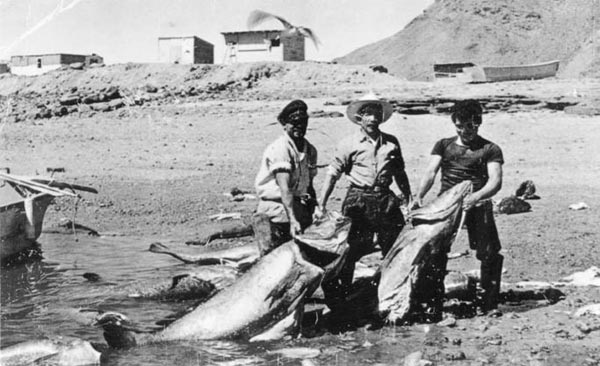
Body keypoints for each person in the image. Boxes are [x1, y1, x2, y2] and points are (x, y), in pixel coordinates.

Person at [316, 93, 412, 313]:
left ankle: (391, 297)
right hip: (358, 199)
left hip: (385, 199)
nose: (372, 118)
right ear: (359, 118)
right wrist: (321, 204)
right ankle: (340, 303)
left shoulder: (391, 143)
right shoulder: (348, 144)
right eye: (367, 114)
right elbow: (332, 174)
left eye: (376, 113)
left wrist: (409, 198)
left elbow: (400, 173)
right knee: (349, 250)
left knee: (394, 248)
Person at [413, 99, 504, 319]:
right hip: (447, 203)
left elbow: (495, 181)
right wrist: (419, 195)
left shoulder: (490, 149)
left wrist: (476, 197)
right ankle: (432, 303)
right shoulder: (443, 145)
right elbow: (431, 172)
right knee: (435, 251)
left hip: (478, 203)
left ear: (478, 123)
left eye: (470, 126)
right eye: (460, 126)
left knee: (490, 253)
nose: (465, 131)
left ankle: (489, 303)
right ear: (454, 124)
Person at [254, 99, 318, 254]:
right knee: (275, 255)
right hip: (276, 208)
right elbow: (284, 188)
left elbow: (309, 184)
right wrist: (293, 220)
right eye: (293, 123)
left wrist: (315, 207)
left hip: (297, 206)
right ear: (285, 125)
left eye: (302, 122)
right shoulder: (281, 148)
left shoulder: (310, 150)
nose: (299, 127)